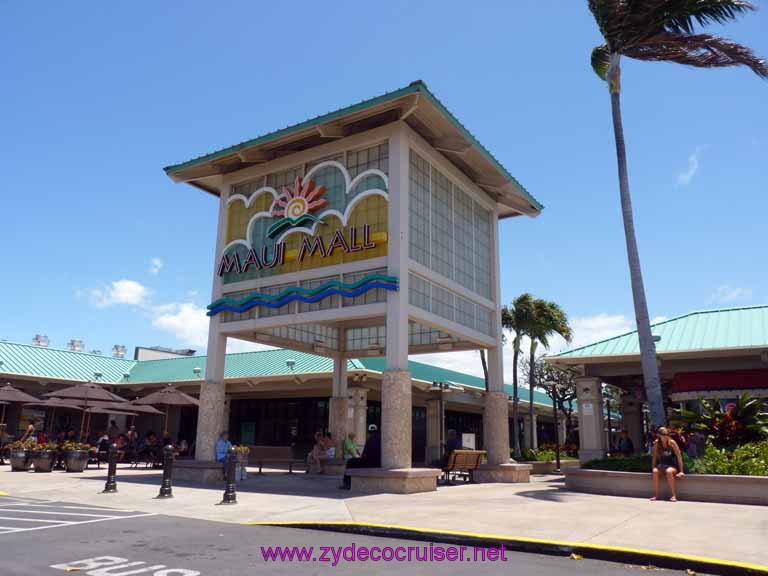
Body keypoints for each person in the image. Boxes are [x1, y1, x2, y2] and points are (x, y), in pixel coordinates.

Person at [340, 424, 381, 490]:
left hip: (369, 463)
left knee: (350, 462)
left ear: (369, 432)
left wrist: (360, 458)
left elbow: (364, 454)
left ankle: (347, 483)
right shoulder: (381, 440)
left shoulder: (369, 440)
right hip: (378, 462)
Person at [651, 427, 685, 502]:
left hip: (672, 465)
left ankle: (673, 495)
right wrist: (653, 467)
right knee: (655, 471)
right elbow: (654, 456)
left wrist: (681, 471)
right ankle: (656, 495)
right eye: (662, 435)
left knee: (669, 472)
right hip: (662, 465)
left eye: (666, 434)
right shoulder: (657, 443)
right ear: (659, 435)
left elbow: (679, 456)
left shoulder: (672, 443)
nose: (664, 436)